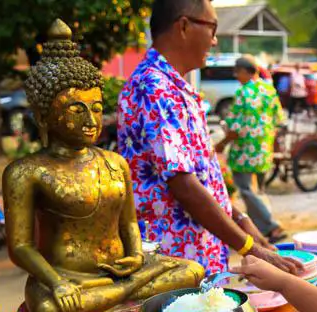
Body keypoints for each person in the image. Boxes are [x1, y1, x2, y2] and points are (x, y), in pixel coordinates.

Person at [118, 0, 299, 276]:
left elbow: (205, 176)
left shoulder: (177, 87)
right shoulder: (153, 87)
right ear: (184, 26)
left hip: (200, 256)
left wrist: (241, 218)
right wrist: (249, 246)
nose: (215, 41)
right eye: (213, 29)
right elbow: (184, 186)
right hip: (174, 264)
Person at [216, 56, 287, 243]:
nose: (235, 75)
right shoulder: (269, 90)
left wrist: (221, 144)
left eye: (237, 71)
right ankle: (261, 229)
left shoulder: (243, 93)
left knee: (247, 190)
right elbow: (278, 118)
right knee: (258, 192)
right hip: (263, 150)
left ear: (246, 71)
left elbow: (235, 128)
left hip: (245, 152)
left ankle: (272, 226)